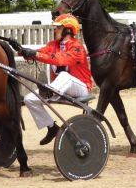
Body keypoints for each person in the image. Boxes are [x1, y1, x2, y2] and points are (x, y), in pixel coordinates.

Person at [18, 14, 93, 145]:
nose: (55, 30)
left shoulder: (77, 47)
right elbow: (40, 53)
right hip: (60, 89)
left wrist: (36, 54)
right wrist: (23, 51)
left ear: (67, 30)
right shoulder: (53, 45)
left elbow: (60, 60)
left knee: (65, 76)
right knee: (29, 99)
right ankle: (52, 128)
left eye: (57, 28)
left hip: (80, 88)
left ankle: (49, 91)